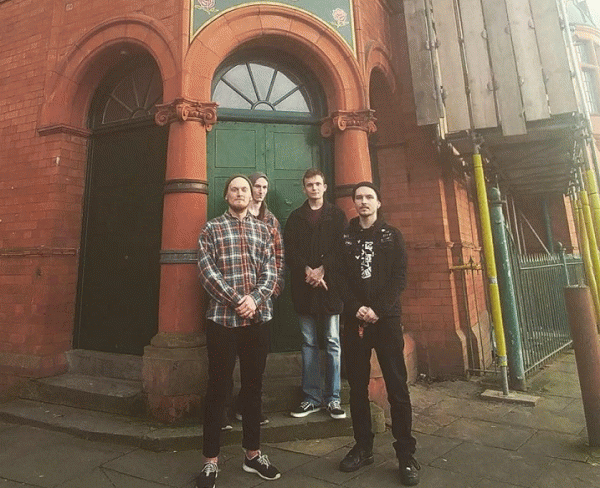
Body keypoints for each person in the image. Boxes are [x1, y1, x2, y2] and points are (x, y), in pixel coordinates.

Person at [196, 175, 281, 488]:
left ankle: (253, 455)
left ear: (252, 195)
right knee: (218, 388)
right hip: (222, 321)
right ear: (226, 195)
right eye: (235, 189)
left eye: (245, 189)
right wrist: (237, 300)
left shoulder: (264, 230)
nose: (240, 193)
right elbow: (207, 272)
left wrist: (255, 300)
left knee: (253, 388)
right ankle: (210, 462)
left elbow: (271, 272)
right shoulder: (211, 229)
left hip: (258, 321)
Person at [337, 181, 420, 486]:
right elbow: (338, 277)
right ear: (354, 203)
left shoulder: (392, 236)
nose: (363, 201)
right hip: (355, 322)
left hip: (386, 321)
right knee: (357, 388)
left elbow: (399, 277)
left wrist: (378, 309)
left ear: (378, 202)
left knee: (397, 387)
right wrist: (356, 307)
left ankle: (406, 454)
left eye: (369, 197)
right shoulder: (345, 238)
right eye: (358, 197)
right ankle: (363, 447)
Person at [283, 168, 347, 420]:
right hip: (304, 288)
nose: (314, 188)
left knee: (332, 341)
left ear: (325, 187)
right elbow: (290, 249)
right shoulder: (295, 217)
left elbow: (342, 248)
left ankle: (333, 398)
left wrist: (323, 270)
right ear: (304, 188)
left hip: (330, 288)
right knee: (309, 342)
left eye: (318, 184)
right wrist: (307, 270)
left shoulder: (337, 215)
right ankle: (310, 398)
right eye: (310, 185)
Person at [225, 172, 284, 428]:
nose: (260, 191)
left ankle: (248, 409)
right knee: (225, 363)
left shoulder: (271, 221)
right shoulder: (226, 221)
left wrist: (271, 290)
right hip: (231, 305)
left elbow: (277, 257)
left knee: (255, 366)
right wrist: (239, 300)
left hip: (262, 300)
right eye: (256, 186)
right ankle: (223, 410)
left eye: (264, 187)